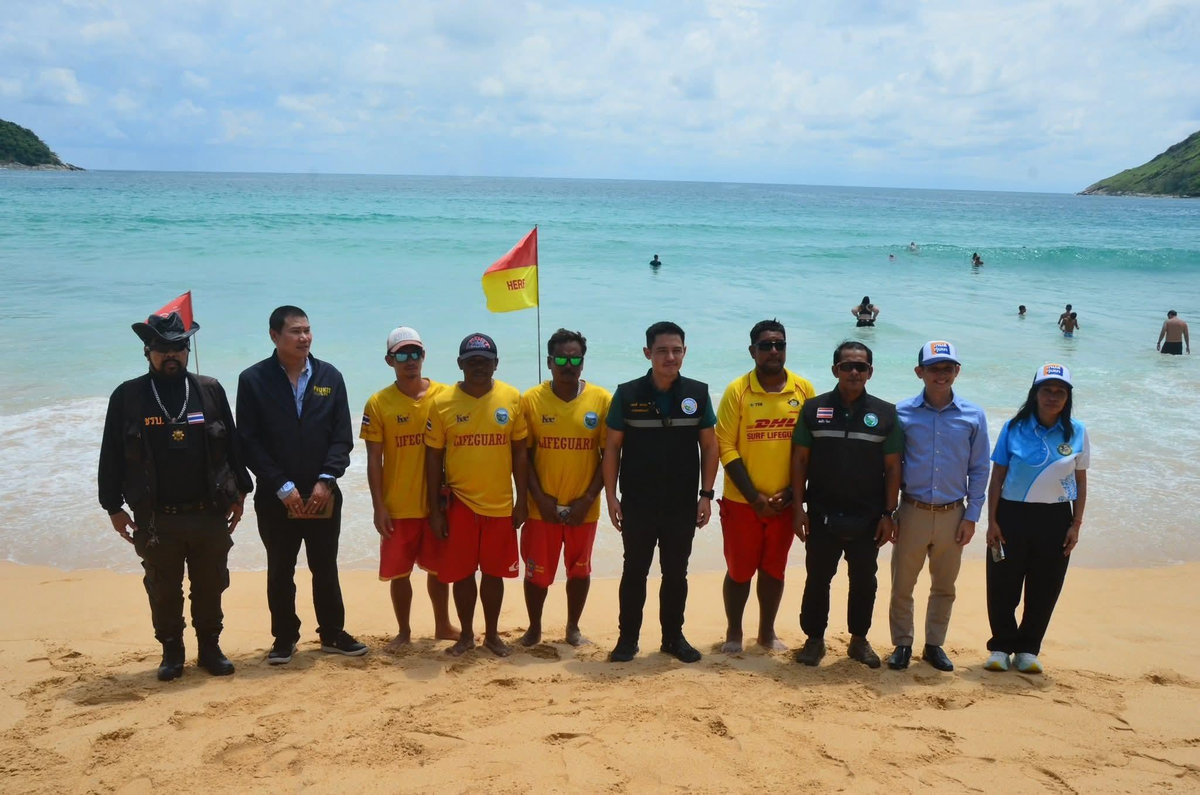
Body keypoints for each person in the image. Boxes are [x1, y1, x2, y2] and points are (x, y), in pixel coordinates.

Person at [99, 311, 252, 680]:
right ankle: (172, 651)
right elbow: (111, 455)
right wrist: (113, 507)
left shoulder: (209, 389)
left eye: (179, 348)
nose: (171, 355)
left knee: (211, 583)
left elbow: (232, 446)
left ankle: (210, 648)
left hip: (208, 512)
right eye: (162, 348)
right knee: (163, 588)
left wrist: (240, 492)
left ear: (188, 349)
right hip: (156, 518)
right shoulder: (128, 396)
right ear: (147, 351)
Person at [237, 306, 365, 665]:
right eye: (295, 331)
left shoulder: (330, 377)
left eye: (307, 330)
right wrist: (281, 486)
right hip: (276, 496)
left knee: (325, 565)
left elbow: (342, 438)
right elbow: (248, 441)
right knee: (280, 568)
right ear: (274, 336)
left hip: (323, 492)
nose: (304, 337)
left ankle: (332, 633)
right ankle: (284, 638)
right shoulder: (254, 380)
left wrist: (327, 480)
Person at [604, 321, 719, 663]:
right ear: (647, 353)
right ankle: (628, 640)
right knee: (634, 571)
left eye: (676, 350)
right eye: (662, 351)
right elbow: (612, 448)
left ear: (684, 352)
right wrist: (610, 497)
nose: (670, 357)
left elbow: (710, 447)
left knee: (675, 573)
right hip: (638, 502)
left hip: (682, 503)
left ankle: (673, 638)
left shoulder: (697, 393)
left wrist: (706, 494)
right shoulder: (627, 394)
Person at [791, 341, 902, 668]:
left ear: (870, 372)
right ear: (835, 370)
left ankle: (858, 640)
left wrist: (888, 513)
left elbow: (894, 466)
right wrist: (799, 507)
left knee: (865, 580)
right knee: (817, 578)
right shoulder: (813, 410)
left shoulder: (886, 413)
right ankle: (814, 640)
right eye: (847, 366)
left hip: (869, 516)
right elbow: (799, 460)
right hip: (822, 513)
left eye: (861, 367)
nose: (854, 372)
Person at [886, 341, 989, 672]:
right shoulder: (901, 413)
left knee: (945, 586)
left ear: (957, 371)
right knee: (903, 584)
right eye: (934, 368)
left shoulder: (973, 415)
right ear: (920, 372)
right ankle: (902, 644)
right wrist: (890, 513)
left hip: (953, 514)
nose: (941, 375)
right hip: (912, 510)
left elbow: (980, 468)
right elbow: (890, 466)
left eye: (948, 368)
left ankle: (934, 645)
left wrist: (971, 516)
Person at [715, 320, 815, 653]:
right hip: (742, 502)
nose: (774, 351)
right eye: (766, 345)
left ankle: (766, 633)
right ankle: (733, 633)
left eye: (779, 344)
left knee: (774, 569)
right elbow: (724, 445)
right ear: (752, 351)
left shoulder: (803, 390)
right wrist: (753, 497)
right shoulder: (737, 391)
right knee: (739, 570)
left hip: (784, 502)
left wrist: (792, 492)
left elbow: (811, 447)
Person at [425, 333, 529, 657]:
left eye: (485, 362)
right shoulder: (441, 402)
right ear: (460, 364)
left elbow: (520, 453)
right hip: (459, 504)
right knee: (463, 573)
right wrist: (435, 509)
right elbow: (432, 458)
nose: (479, 367)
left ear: (496, 364)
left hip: (500, 504)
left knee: (495, 574)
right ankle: (467, 635)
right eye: (472, 362)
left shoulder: (512, 398)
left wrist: (522, 499)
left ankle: (494, 635)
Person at [984, 364, 1089, 674]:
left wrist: (1076, 524)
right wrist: (992, 521)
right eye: (1047, 390)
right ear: (1035, 394)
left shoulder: (1077, 431)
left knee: (1045, 586)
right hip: (1011, 513)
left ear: (1068, 397)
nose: (1053, 396)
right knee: (1003, 583)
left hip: (1056, 517)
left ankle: (1028, 649)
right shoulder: (1013, 427)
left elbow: (1081, 482)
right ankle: (1001, 646)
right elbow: (997, 476)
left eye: (1060, 391)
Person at [360, 326, 458, 652]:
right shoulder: (378, 403)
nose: (410, 361)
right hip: (397, 504)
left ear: (424, 356)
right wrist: (378, 506)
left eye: (415, 353)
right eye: (402, 354)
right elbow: (374, 459)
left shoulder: (445, 396)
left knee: (439, 570)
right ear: (390, 360)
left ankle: (443, 624)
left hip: (436, 504)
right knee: (398, 574)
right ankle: (403, 631)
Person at [519, 329, 611, 647]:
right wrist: (539, 498)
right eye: (561, 358)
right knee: (537, 574)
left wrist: (588, 498)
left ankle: (573, 628)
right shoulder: (530, 400)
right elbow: (523, 456)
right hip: (540, 507)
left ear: (583, 363)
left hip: (583, 507)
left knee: (580, 572)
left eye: (575, 359)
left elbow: (610, 456)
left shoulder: (601, 400)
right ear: (549, 362)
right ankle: (534, 628)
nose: (568, 365)